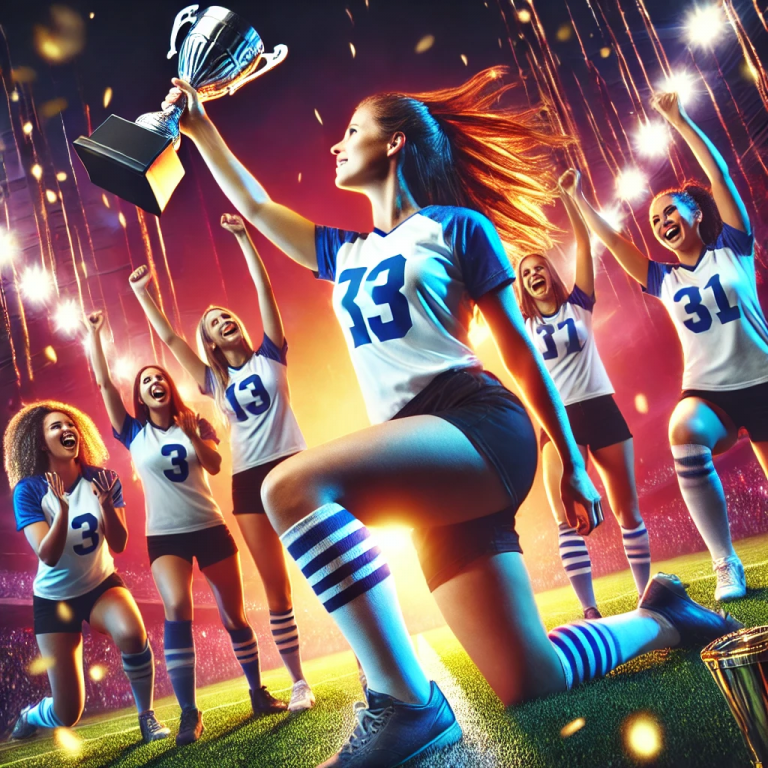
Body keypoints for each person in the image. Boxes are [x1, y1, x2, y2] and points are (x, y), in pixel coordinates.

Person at [162, 69, 741, 767]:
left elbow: (523, 353)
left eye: (352, 131)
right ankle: (661, 618)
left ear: (396, 143)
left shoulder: (457, 228)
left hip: (475, 424)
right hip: (423, 461)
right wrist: (198, 128)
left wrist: (570, 458)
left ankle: (405, 702)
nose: (335, 147)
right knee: (530, 678)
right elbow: (255, 204)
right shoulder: (346, 251)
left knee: (289, 486)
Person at [565, 91, 768, 602]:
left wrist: (677, 120)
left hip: (763, 378)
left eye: (669, 211)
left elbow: (718, 175)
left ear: (696, 214)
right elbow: (613, 242)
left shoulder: (734, 248)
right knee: (683, 428)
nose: (660, 223)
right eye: (654, 221)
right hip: (710, 393)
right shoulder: (663, 278)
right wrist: (579, 199)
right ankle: (726, 564)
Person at [127, 212, 314, 713]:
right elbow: (170, 341)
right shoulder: (214, 384)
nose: (222, 319)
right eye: (212, 322)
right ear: (209, 342)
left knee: (327, 564)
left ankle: (368, 658)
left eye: (225, 315)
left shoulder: (270, 354)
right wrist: (144, 294)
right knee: (276, 585)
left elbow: (263, 291)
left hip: (295, 465)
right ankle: (297, 681)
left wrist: (242, 237)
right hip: (249, 482)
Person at [85, 311, 287, 744]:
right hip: (166, 536)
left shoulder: (196, 421)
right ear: (139, 396)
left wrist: (194, 435)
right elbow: (105, 386)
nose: (154, 383)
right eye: (145, 382)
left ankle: (257, 691)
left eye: (159, 378)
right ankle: (189, 713)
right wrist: (95, 335)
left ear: (169, 386)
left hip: (210, 526)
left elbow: (214, 466)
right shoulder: (133, 432)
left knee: (235, 616)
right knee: (178, 609)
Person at [516, 170, 651, 618]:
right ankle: (589, 610)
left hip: (601, 407)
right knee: (568, 521)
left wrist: (571, 196)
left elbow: (583, 242)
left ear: (550, 275)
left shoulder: (579, 303)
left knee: (627, 509)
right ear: (522, 286)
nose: (534, 273)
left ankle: (647, 595)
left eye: (539, 268)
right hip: (556, 421)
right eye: (526, 272)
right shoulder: (521, 325)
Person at [3, 401, 169, 743]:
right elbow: (47, 555)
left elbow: (119, 543)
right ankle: (30, 715)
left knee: (132, 633)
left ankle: (147, 716)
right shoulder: (29, 491)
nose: (67, 429)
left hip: (99, 584)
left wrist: (107, 504)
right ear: (39, 443)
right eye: (55, 427)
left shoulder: (104, 479)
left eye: (70, 423)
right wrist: (61, 509)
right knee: (68, 713)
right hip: (54, 600)